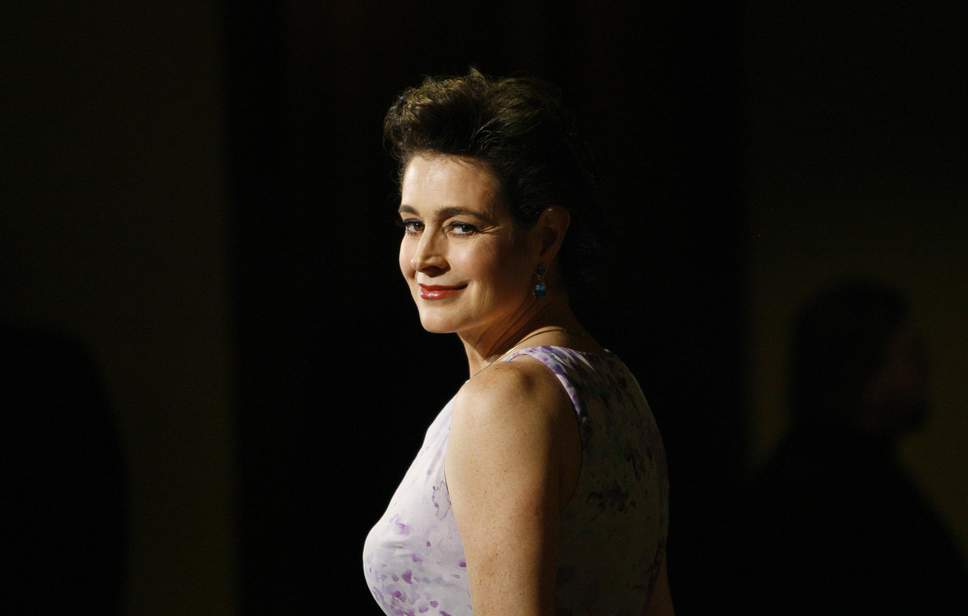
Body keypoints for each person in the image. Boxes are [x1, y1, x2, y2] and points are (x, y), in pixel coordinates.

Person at [362, 66, 674, 616]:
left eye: (462, 226)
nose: (425, 259)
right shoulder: (614, 384)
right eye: (413, 224)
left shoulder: (504, 401)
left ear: (546, 237)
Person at [732, 278, 968, 614]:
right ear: (863, 371)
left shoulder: (852, 481)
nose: (924, 368)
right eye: (910, 354)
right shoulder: (836, 498)